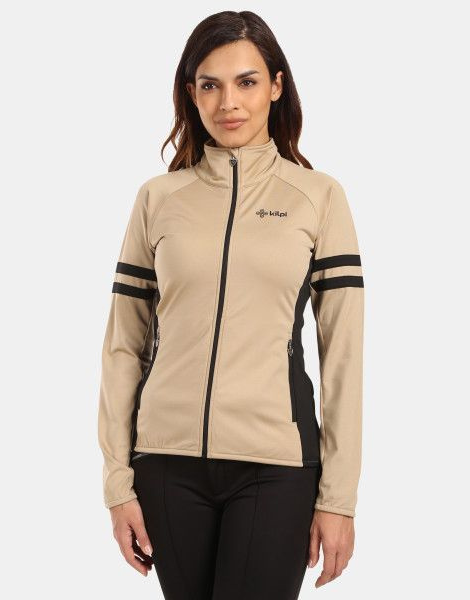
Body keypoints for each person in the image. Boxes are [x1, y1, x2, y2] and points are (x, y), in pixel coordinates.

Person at [98, 10, 364, 599]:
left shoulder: (318, 197)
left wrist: (339, 498)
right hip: (165, 464)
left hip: (276, 465)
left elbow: (342, 357)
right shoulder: (158, 199)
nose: (228, 103)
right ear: (190, 93)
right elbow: (122, 348)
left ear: (276, 86)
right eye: (210, 85)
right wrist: (118, 483)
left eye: (246, 82)